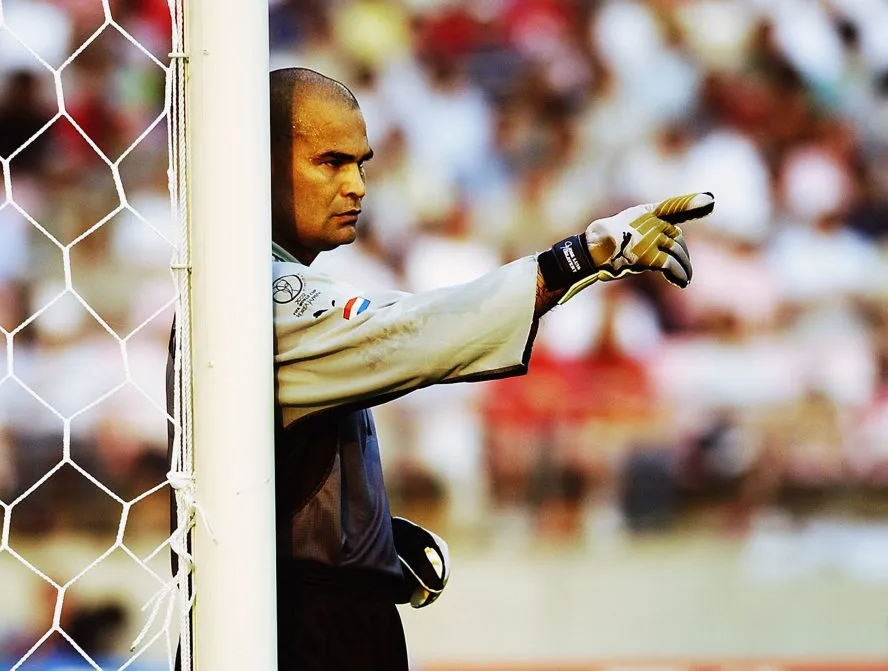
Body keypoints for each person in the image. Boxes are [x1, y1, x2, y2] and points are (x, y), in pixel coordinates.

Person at [266, 67, 714, 671]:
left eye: (362, 164)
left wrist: (368, 545)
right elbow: (409, 331)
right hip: (303, 632)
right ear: (256, 162)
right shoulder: (263, 297)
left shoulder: (280, 288)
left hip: (330, 613)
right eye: (330, 162)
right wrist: (576, 260)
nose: (358, 186)